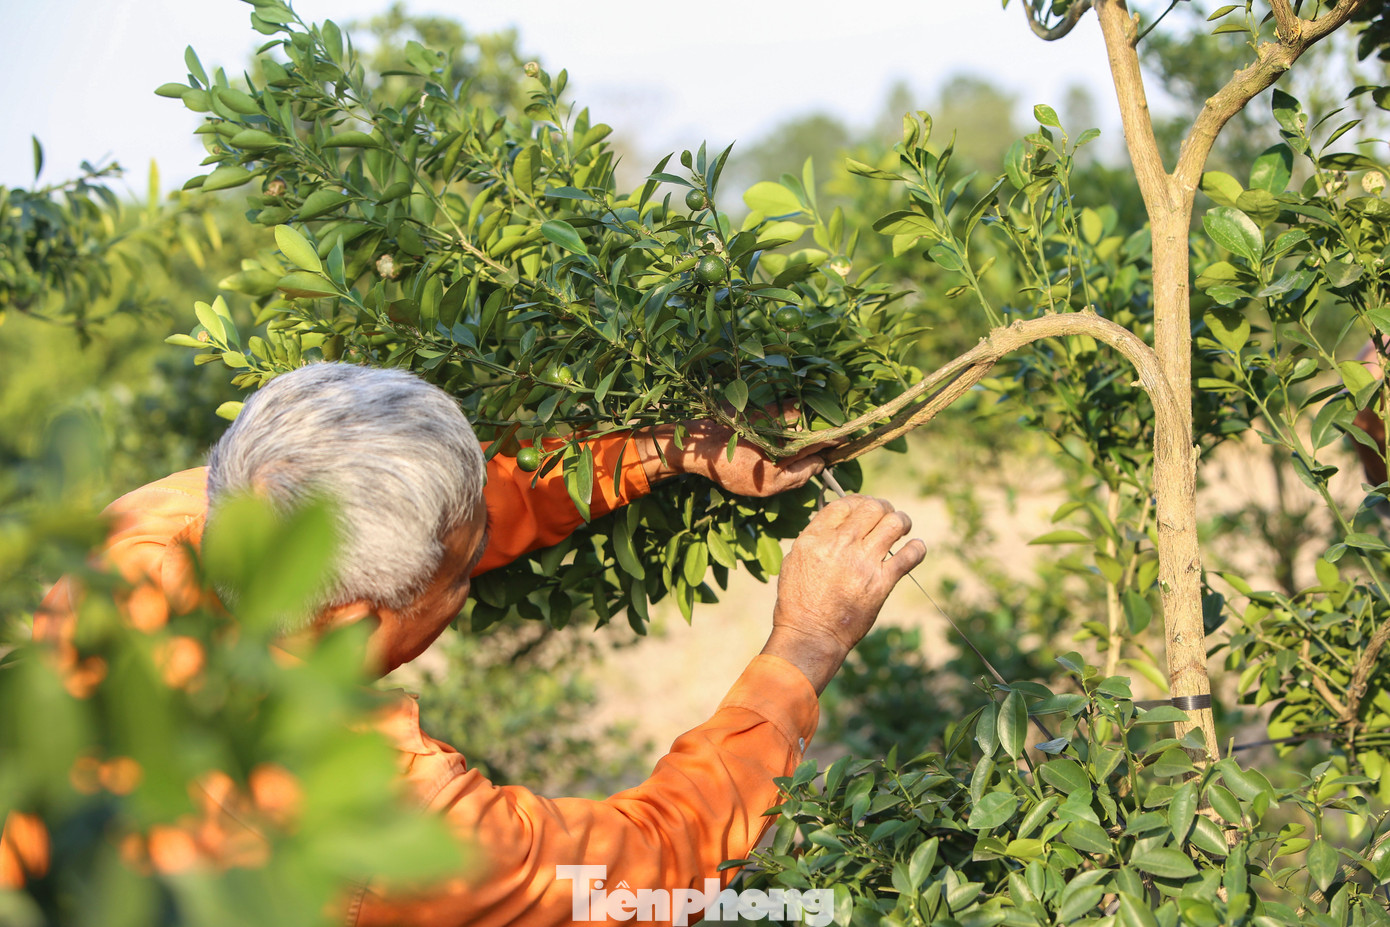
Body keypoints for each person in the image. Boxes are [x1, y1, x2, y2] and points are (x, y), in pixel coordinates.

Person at [7, 362, 926, 926]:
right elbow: (659, 868)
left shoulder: (161, 528)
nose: (479, 553)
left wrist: (659, 449)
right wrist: (805, 646)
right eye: (461, 570)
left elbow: (424, 497)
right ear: (364, 622)